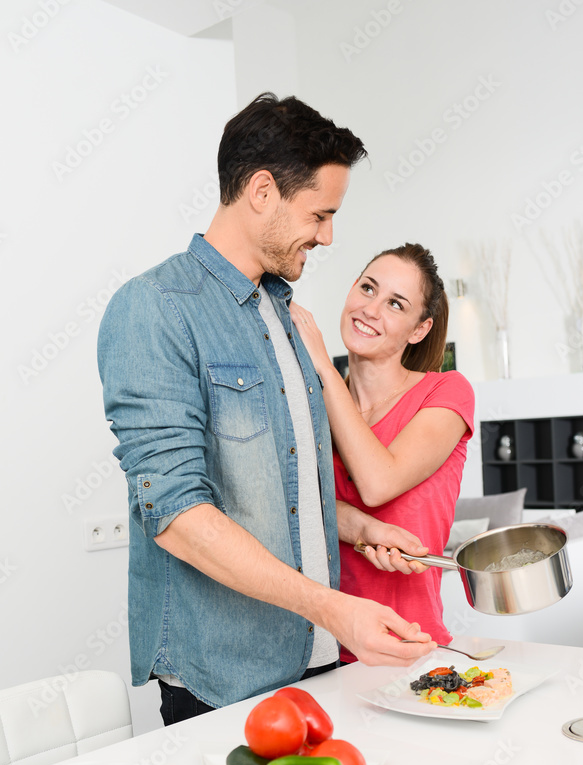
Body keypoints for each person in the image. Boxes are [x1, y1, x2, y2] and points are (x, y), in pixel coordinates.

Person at [97, 94, 436, 725]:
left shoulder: (285, 314)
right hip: (223, 675)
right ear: (261, 192)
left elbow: (279, 489)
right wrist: (332, 608)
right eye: (320, 213)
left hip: (314, 658)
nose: (328, 236)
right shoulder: (154, 308)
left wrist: (361, 530)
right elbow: (176, 514)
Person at [290, 243, 475, 661]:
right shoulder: (310, 401)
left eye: (395, 303)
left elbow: (378, 483)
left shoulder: (446, 392)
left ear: (418, 330)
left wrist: (321, 360)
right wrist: (357, 527)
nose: (371, 309)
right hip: (319, 653)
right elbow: (294, 506)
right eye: (368, 288)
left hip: (409, 649)